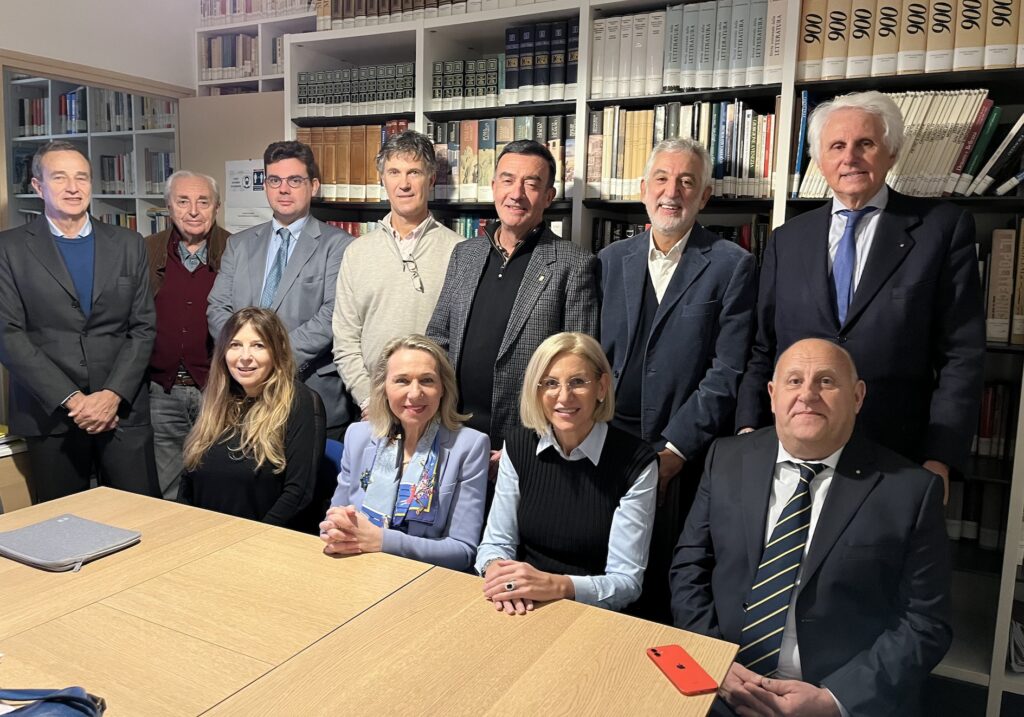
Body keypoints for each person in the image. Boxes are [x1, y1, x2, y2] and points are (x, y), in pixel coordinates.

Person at [671, 338, 951, 717]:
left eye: (826, 381)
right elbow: (689, 565)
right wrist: (715, 658)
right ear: (771, 395)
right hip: (720, 688)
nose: (808, 394)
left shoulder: (911, 491)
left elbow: (924, 623)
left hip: (836, 702)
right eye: (794, 381)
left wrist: (833, 700)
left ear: (857, 396)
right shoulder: (725, 459)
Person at [736, 91, 984, 498]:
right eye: (837, 146)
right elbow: (763, 348)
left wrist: (941, 456)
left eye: (865, 144)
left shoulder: (941, 229)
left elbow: (961, 355)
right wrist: (748, 429)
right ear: (820, 161)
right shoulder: (787, 241)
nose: (850, 157)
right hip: (795, 442)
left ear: (891, 153)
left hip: (896, 450)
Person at [598, 138, 756, 622]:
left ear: (703, 196)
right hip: (606, 445)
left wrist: (674, 450)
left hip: (680, 455)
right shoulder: (609, 260)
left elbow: (727, 370)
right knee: (604, 572)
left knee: (663, 581)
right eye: (662, 179)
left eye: (687, 181)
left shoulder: (732, 265)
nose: (673, 191)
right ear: (644, 190)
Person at [427, 140, 600, 477]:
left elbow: (578, 372)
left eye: (531, 184)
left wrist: (521, 446)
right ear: (493, 187)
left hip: (524, 449)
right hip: (453, 438)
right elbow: (438, 339)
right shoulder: (466, 254)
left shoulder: (574, 264)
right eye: (507, 180)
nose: (516, 194)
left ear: (548, 197)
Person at [0, 140, 158, 502]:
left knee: (141, 518)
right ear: (38, 186)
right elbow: (8, 335)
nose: (73, 187)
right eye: (60, 178)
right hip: (51, 413)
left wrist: (112, 395)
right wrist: (73, 400)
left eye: (81, 177)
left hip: (121, 410)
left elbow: (143, 327)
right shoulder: (8, 249)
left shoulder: (129, 243)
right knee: (63, 526)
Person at [475, 332, 657, 615]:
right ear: (536, 391)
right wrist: (497, 571)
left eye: (578, 382)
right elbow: (496, 543)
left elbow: (626, 583)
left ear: (601, 387)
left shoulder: (637, 461)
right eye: (550, 383)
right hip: (520, 604)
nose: (564, 396)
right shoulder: (519, 445)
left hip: (593, 613)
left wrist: (556, 585)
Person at [208, 140, 355, 438]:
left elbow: (332, 315)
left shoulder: (339, 246)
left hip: (310, 395)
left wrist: (271, 357)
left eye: (294, 180)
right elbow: (217, 308)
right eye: (274, 180)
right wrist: (246, 356)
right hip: (244, 397)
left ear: (313, 186)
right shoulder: (239, 244)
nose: (283, 189)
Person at [320, 335, 488, 571]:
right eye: (402, 381)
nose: (415, 393)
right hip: (356, 568)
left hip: (423, 581)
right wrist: (335, 531)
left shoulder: (469, 446)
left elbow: (463, 551)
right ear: (384, 387)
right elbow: (331, 521)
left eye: (427, 381)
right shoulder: (357, 436)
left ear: (443, 388)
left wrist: (382, 541)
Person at [332, 130, 460, 416]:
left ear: (431, 179)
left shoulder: (460, 252)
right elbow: (345, 339)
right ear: (382, 179)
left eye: (414, 172)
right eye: (394, 172)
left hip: (435, 407)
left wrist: (437, 400)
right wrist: (368, 400)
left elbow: (462, 339)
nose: (404, 184)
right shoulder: (357, 252)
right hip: (372, 409)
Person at [180, 307, 320, 526]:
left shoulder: (300, 401)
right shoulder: (215, 399)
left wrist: (250, 538)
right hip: (203, 535)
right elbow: (188, 479)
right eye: (235, 345)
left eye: (258, 345)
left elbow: (298, 494)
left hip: (263, 541)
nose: (245, 357)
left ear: (277, 351)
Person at [146, 170, 230, 499]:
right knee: (168, 487)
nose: (193, 210)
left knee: (217, 482)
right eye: (183, 201)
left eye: (203, 202)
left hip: (217, 391)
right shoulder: (146, 251)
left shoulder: (236, 250)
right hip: (161, 393)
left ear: (217, 207)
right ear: (168, 207)